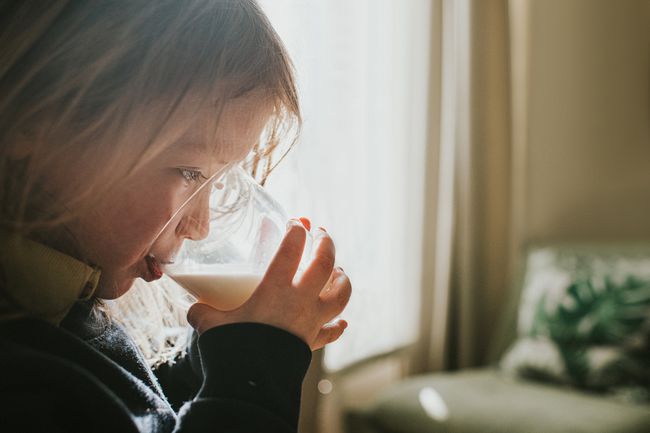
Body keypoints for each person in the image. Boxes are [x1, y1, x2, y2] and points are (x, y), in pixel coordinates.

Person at [0, 1, 352, 432]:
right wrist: (253, 378)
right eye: (190, 173)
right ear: (38, 120)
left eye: (219, 181)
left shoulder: (63, 307)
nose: (200, 226)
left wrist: (214, 356)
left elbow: (136, 409)